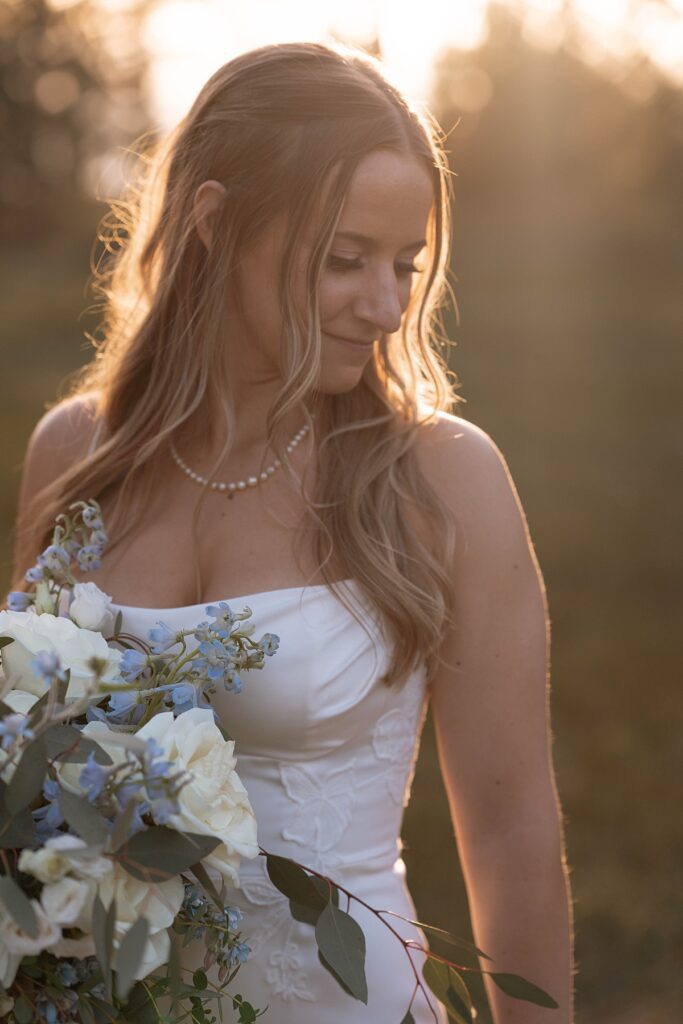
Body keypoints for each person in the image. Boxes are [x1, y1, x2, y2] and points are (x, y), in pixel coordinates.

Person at [9, 41, 573, 1024]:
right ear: (214, 222)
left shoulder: (440, 477)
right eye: (344, 260)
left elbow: (511, 833)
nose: (386, 305)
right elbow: (24, 773)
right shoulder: (75, 454)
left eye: (404, 265)